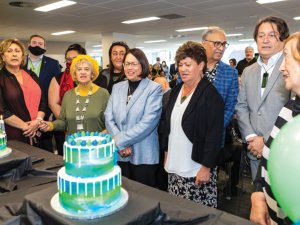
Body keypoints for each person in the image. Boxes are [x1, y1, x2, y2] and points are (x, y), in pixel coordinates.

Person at [163, 41, 224, 208]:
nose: (183, 69)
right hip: (175, 165)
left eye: (188, 64)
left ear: (201, 65)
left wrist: (206, 167)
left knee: (197, 214)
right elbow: (167, 125)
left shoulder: (211, 95)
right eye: (180, 64)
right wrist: (167, 153)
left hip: (196, 169)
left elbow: (214, 135)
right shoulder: (176, 90)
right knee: (176, 211)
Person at [250, 31, 300, 225]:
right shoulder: (288, 109)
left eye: (286, 56)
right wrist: (257, 194)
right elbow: (267, 159)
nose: (281, 67)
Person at [235, 16, 290, 181]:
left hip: (283, 151)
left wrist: (265, 140)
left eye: (272, 35)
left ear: (283, 39)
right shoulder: (248, 71)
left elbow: (294, 110)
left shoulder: (291, 66)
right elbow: (241, 106)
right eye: (261, 35)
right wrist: (251, 137)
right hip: (254, 151)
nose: (265, 40)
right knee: (259, 201)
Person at [105, 48, 162, 187]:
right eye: (127, 63)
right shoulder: (117, 87)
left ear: (142, 65)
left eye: (134, 64)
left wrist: (120, 141)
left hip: (144, 154)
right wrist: (120, 143)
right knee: (122, 195)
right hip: (120, 154)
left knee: (144, 200)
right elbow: (108, 116)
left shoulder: (153, 88)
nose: (130, 67)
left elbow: (148, 123)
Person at [40, 55, 109, 136]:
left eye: (87, 69)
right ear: (75, 74)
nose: (83, 72)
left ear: (92, 73)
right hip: (73, 146)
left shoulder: (103, 94)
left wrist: (100, 138)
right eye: (79, 69)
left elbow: (110, 123)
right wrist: (51, 125)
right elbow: (63, 122)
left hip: (96, 145)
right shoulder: (68, 95)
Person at [0, 38, 46, 145]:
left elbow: (43, 102)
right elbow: (2, 110)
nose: (14, 54)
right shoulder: (1, 78)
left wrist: (38, 121)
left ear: (22, 55)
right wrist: (26, 127)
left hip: (38, 130)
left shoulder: (31, 75)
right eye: (9, 51)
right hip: (13, 134)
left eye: (17, 51)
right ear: (3, 56)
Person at [48, 44, 87, 155]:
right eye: (68, 59)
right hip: (65, 128)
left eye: (74, 59)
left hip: (90, 127)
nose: (71, 62)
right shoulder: (58, 78)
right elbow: (53, 103)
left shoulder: (93, 77)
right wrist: (69, 122)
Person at [25, 34, 61, 151]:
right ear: (29, 45)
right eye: (34, 43)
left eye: (40, 44)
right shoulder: (21, 62)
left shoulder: (53, 63)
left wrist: (51, 111)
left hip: (46, 111)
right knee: (26, 144)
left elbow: (57, 88)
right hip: (25, 109)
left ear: (45, 46)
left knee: (45, 146)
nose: (37, 46)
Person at [154, 76, 171, 191]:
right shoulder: (165, 95)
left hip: (164, 135)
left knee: (163, 163)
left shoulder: (168, 96)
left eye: (158, 86)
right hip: (162, 134)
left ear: (165, 84)